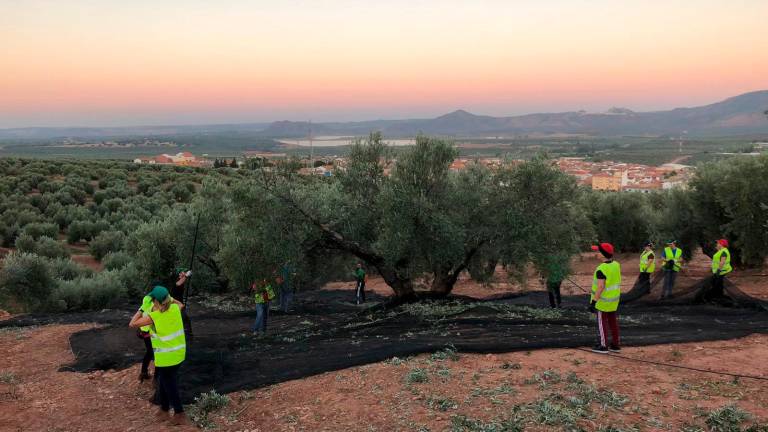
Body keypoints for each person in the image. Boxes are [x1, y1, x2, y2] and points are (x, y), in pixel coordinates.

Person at [129, 286, 188, 425]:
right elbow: (180, 304)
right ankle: (164, 409)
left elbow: (132, 324)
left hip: (167, 358)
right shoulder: (174, 309)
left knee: (169, 384)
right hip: (178, 354)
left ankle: (179, 413)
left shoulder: (154, 317)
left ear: (155, 301)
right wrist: (170, 299)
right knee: (163, 380)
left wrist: (142, 308)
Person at [589, 242, 622, 354]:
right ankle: (615, 345)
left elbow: (601, 287)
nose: (596, 253)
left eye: (597, 251)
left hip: (603, 302)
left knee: (602, 323)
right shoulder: (616, 265)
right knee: (613, 322)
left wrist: (593, 302)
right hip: (614, 301)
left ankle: (603, 346)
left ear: (603, 254)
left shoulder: (601, 269)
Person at [136, 293, 154, 382]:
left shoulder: (146, 298)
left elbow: (142, 312)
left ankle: (143, 373)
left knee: (150, 352)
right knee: (154, 352)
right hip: (152, 330)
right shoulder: (157, 300)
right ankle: (155, 377)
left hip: (144, 329)